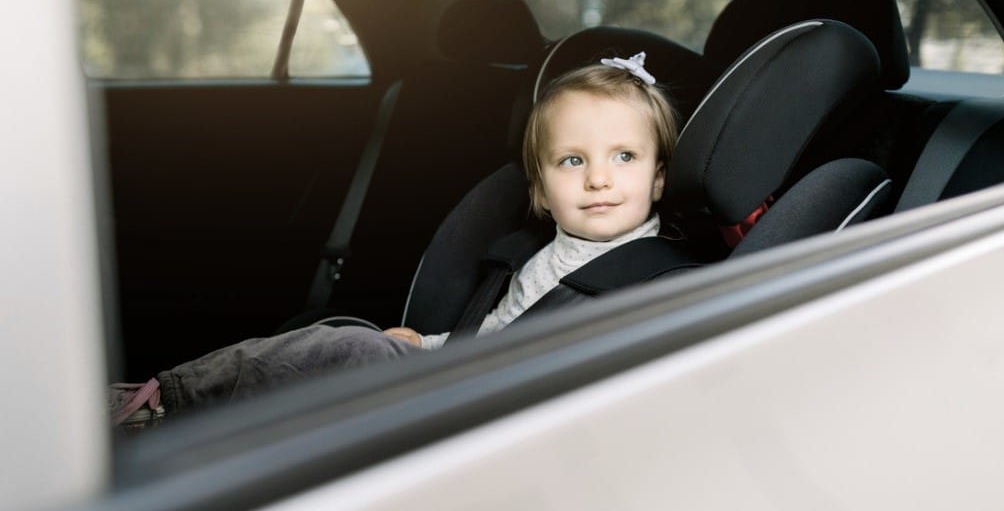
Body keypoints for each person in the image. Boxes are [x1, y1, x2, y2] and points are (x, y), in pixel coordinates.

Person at [111, 52, 679, 424]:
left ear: (658, 179)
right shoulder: (542, 254)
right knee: (344, 333)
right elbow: (490, 334)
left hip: (486, 414)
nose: (598, 178)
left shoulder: (647, 281)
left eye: (624, 157)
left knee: (350, 349)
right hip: (463, 382)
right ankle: (172, 404)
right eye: (572, 160)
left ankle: (162, 406)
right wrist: (427, 345)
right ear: (540, 189)